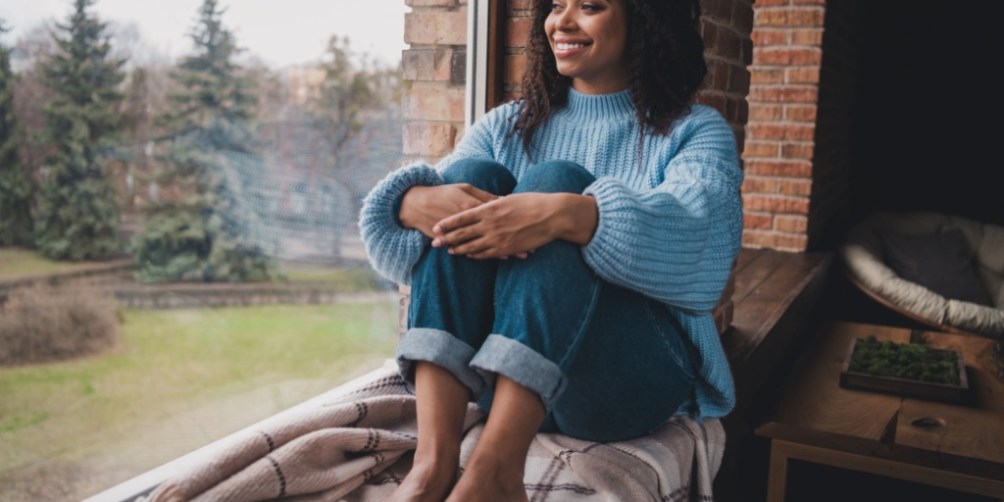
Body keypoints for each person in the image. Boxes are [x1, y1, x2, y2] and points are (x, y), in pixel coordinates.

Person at [359, 0, 743, 499]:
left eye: (590, 6)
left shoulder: (693, 129)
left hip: (623, 383)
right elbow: (407, 260)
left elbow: (706, 246)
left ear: (644, 20)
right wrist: (409, 202)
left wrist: (570, 214)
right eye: (556, 5)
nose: (562, 21)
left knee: (555, 182)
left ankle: (495, 471)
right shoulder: (506, 126)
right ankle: (433, 465)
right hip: (502, 380)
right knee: (469, 179)